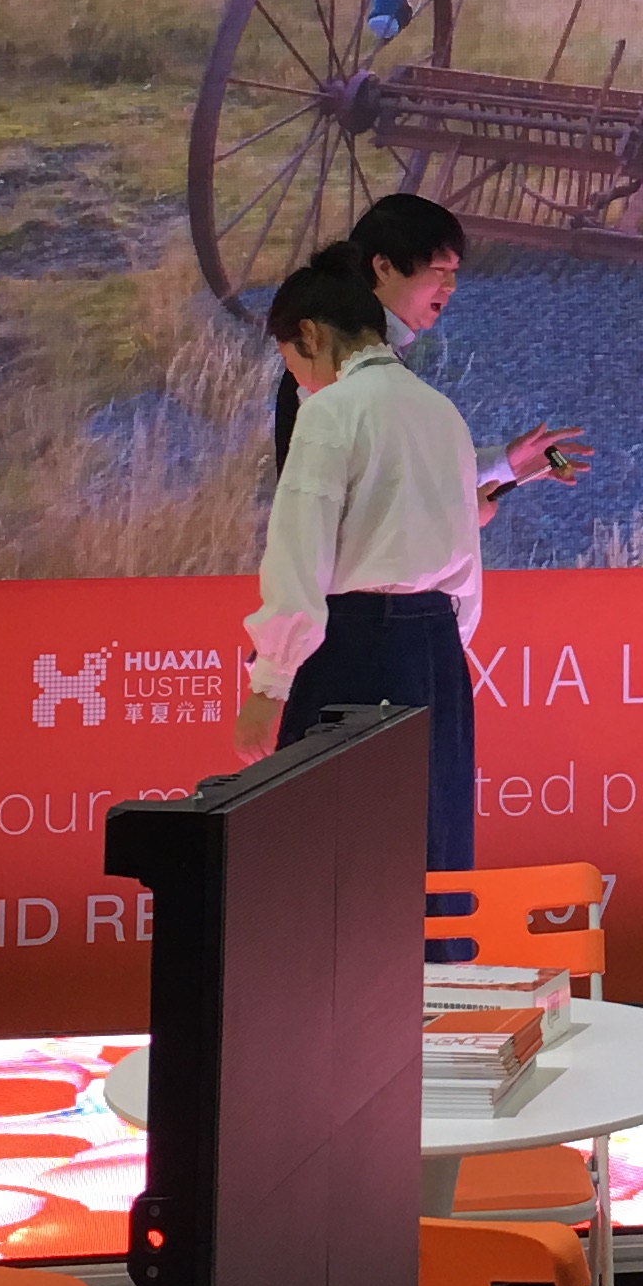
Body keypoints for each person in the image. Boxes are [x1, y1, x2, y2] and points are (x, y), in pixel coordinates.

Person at [230, 261, 495, 871]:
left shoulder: (330, 411)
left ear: (311, 333)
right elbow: (467, 565)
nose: (299, 382)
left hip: (352, 649)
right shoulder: (441, 411)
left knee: (329, 864)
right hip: (438, 653)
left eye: (292, 364)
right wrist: (442, 650)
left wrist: (269, 685)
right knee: (428, 852)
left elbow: (301, 551)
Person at [271, 193, 588, 499]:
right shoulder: (333, 368)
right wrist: (461, 515)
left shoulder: (377, 364)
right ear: (384, 268)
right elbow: (366, 501)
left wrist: (505, 465)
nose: (451, 286)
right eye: (440, 270)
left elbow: (409, 479)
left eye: (454, 272)